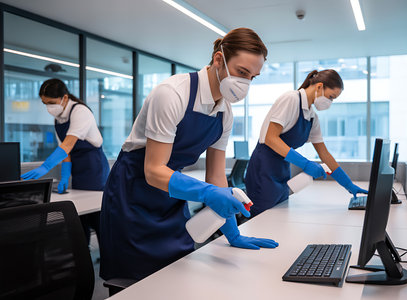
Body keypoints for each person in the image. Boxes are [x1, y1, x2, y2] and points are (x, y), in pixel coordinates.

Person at [99, 28, 279, 281]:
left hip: (173, 193)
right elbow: (153, 171)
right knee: (133, 281)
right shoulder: (173, 94)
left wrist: (231, 230)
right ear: (219, 59)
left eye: (253, 77)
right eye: (241, 72)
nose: (246, 83)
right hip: (133, 192)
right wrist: (206, 193)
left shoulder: (225, 113)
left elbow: (216, 176)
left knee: (177, 274)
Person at [245, 69, 368, 217]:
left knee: (278, 218)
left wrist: (348, 184)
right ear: (319, 86)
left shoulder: (311, 117)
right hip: (263, 168)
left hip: (282, 170)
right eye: (331, 97)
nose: (330, 102)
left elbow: (324, 153)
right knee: (262, 219)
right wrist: (305, 164)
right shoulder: (291, 99)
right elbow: (271, 138)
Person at [22, 78, 110, 244]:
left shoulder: (80, 111)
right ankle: (83, 253)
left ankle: (107, 256)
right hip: (77, 166)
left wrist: (45, 166)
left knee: (97, 213)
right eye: (44, 103)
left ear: (64, 97)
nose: (48, 107)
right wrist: (65, 176)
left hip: (93, 165)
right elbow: (65, 151)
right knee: (79, 213)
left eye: (51, 102)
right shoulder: (58, 119)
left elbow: (69, 143)